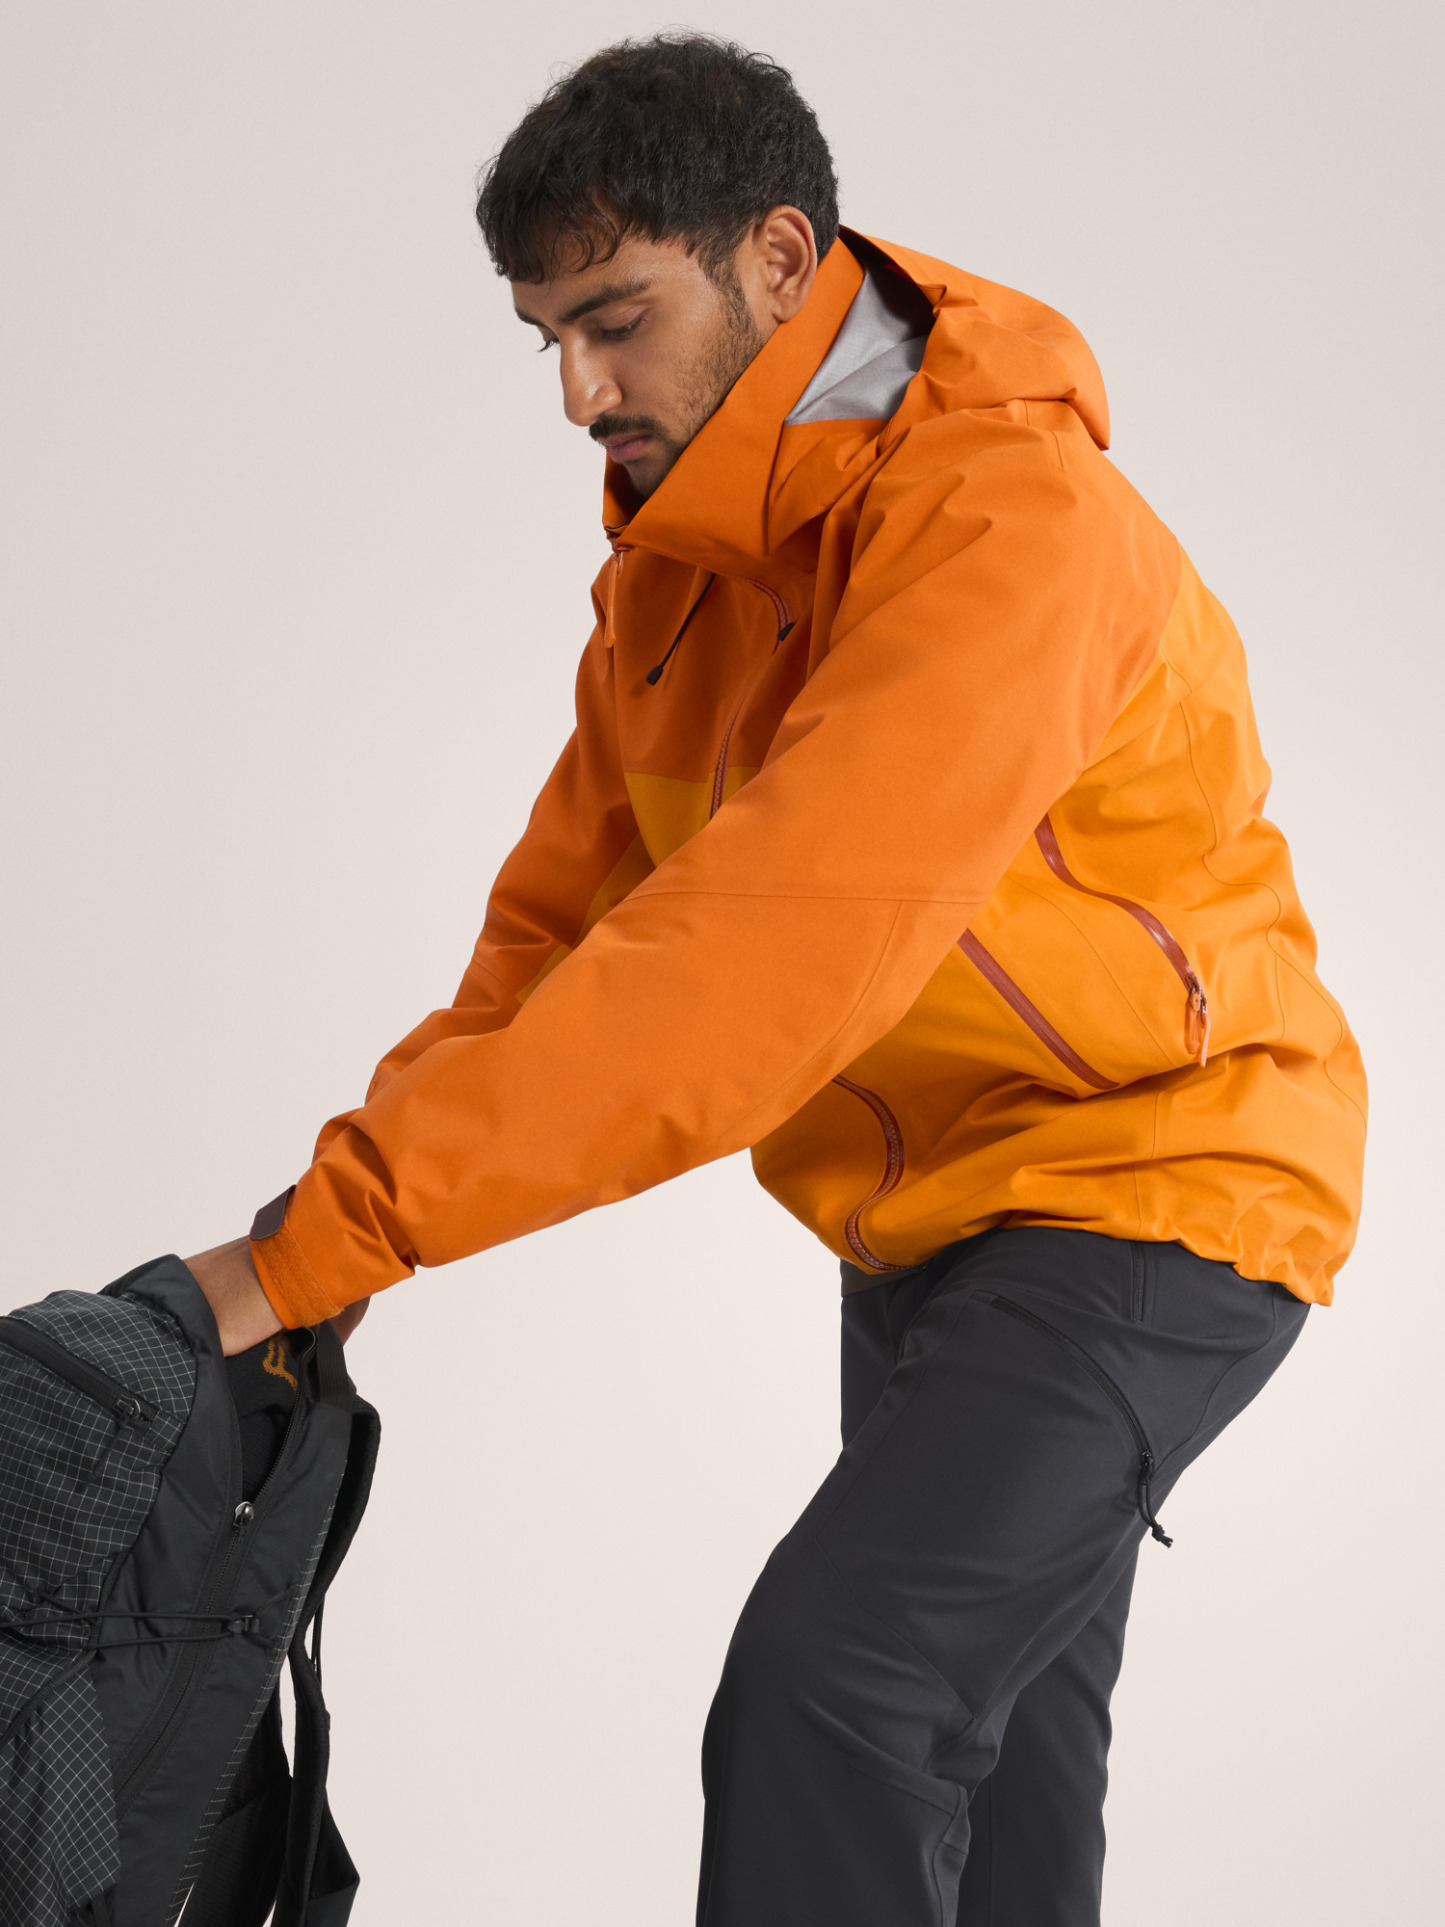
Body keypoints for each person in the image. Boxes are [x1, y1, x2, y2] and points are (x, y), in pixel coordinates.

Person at [186, 33, 1366, 1926]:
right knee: (993, 1769)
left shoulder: (1011, 526)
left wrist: (334, 1244)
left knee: (840, 1692)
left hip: (1160, 1191)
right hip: (919, 1231)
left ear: (778, 256)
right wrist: (306, 1244)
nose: (578, 391)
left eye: (616, 322)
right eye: (547, 340)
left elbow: (762, 959)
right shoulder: (675, 586)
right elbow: (550, 953)